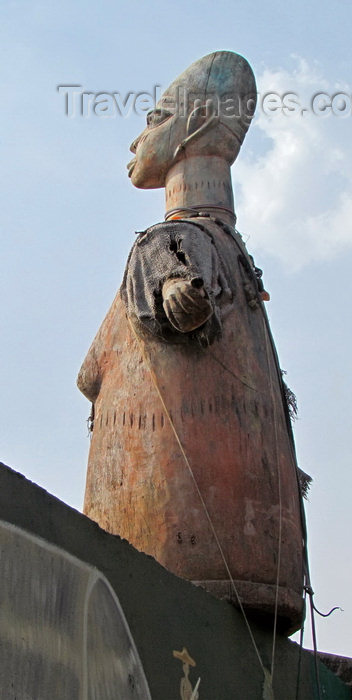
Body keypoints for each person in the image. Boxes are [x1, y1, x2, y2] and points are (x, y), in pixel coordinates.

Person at [78, 51, 305, 634]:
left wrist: (181, 295)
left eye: (155, 118)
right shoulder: (240, 266)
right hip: (256, 570)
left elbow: (180, 293)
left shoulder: (171, 241)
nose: (138, 137)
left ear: (198, 121)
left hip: (165, 558)